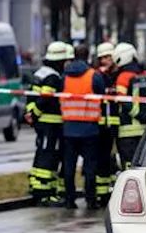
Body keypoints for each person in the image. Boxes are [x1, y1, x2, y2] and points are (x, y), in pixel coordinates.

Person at [60, 43, 107, 210]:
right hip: (90, 129)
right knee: (90, 167)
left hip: (69, 128)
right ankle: (90, 199)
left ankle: (69, 199)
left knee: (69, 167)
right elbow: (102, 96)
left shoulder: (64, 76)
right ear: (88, 56)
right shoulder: (93, 76)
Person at [25, 41, 71, 206]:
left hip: (42, 124)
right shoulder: (52, 77)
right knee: (48, 156)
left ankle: (37, 185)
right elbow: (46, 98)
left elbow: (31, 96)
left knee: (42, 153)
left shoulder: (40, 73)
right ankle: (44, 192)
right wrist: (36, 114)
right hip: (50, 124)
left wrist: (30, 113)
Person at [113, 42, 146, 169]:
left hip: (127, 130)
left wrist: (138, 114)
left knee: (129, 165)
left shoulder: (123, 77)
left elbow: (122, 100)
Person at [93, 41, 118, 206]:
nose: (105, 61)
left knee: (114, 160)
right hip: (101, 125)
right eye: (102, 58)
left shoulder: (118, 74)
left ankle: (114, 192)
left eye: (108, 57)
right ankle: (102, 193)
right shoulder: (97, 75)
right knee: (102, 159)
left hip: (117, 125)